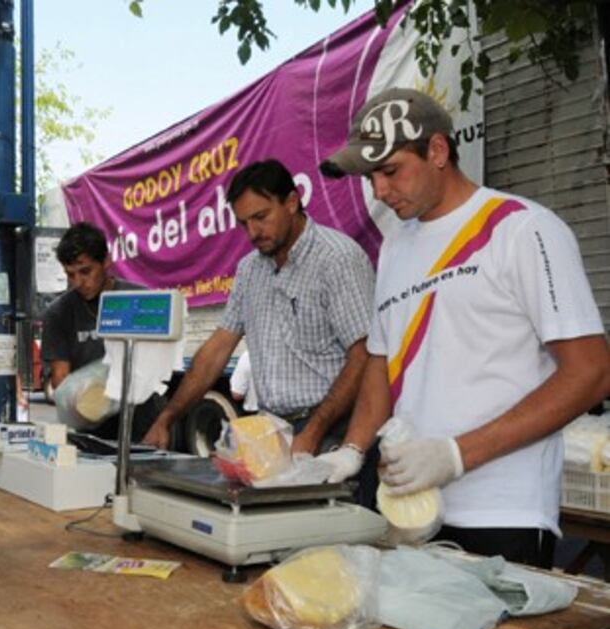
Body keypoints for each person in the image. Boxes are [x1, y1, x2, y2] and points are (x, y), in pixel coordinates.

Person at [318, 87, 610, 567]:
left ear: (437, 151)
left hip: (502, 512)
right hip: (408, 509)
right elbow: (380, 360)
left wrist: (455, 455)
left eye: (390, 171)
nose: (380, 192)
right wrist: (351, 451)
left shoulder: (521, 228)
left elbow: (591, 372)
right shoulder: (394, 246)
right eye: (372, 178)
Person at [142, 159, 376, 485]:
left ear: (292, 202)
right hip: (273, 434)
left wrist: (314, 430)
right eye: (243, 223)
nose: (253, 232)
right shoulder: (250, 270)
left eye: (261, 217)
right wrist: (168, 417)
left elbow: (364, 354)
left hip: (333, 432)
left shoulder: (338, 259)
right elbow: (217, 349)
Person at [41, 222, 164, 442]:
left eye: (85, 271)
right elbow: (62, 381)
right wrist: (93, 399)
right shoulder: (58, 314)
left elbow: (157, 365)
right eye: (70, 275)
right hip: (91, 429)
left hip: (143, 424)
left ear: (106, 261)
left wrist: (163, 424)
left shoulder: (140, 300)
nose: (78, 282)